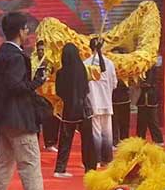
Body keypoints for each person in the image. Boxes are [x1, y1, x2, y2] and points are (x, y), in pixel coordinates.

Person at [0, 12, 47, 190]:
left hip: (3, 118)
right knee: (29, 162)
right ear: (20, 31)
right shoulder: (16, 56)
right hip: (19, 118)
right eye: (26, 28)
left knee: (4, 162)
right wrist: (37, 82)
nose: (28, 32)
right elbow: (16, 86)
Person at [54, 43, 94, 178]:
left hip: (68, 109)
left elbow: (59, 91)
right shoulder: (82, 70)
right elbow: (86, 89)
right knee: (88, 140)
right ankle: (90, 167)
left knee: (65, 139)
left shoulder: (60, 72)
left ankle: (60, 168)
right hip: (83, 109)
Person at [85, 37, 117, 165]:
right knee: (107, 132)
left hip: (93, 102)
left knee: (96, 133)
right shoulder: (109, 64)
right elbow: (114, 83)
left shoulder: (86, 63)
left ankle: (96, 160)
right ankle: (107, 160)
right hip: (106, 102)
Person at [32, 40, 57, 151]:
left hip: (49, 95)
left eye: (43, 50)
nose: (41, 52)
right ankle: (35, 144)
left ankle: (50, 143)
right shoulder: (33, 63)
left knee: (50, 119)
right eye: (39, 50)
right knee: (35, 119)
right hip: (36, 95)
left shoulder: (51, 63)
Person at [137, 64, 164, 146]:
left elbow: (153, 81)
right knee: (141, 122)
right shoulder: (139, 68)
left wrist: (147, 84)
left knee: (153, 121)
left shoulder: (154, 68)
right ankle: (140, 140)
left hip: (151, 97)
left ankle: (158, 140)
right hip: (142, 98)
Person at [112, 77, 131, 145]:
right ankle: (115, 141)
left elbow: (132, 82)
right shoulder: (110, 67)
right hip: (113, 99)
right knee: (114, 122)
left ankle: (125, 141)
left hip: (125, 99)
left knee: (124, 123)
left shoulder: (128, 68)